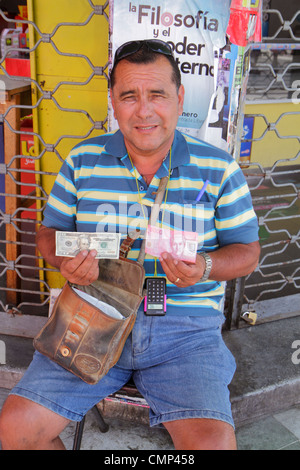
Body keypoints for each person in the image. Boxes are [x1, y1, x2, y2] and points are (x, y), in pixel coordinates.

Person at [0, 39, 260, 450]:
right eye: (129, 96)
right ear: (113, 102)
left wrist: (205, 267)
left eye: (157, 94)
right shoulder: (83, 160)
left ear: (178, 98)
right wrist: (67, 261)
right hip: (90, 317)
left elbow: (247, 251)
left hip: (185, 331)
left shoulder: (218, 167)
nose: (144, 110)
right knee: (14, 432)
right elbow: (48, 236)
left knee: (212, 445)